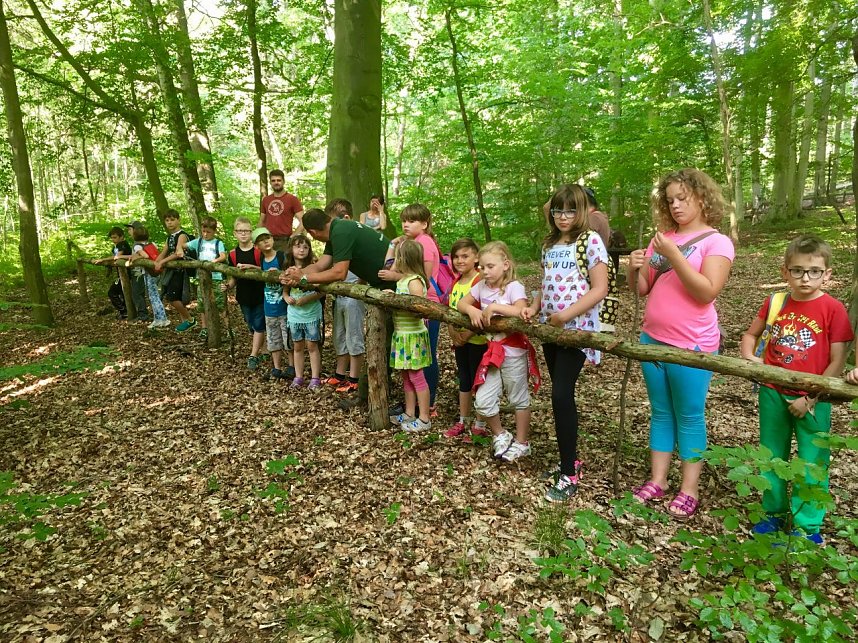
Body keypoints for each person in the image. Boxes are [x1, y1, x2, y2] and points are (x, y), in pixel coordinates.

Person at [627, 168, 734, 520]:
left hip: (693, 344)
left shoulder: (716, 242)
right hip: (652, 338)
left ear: (702, 197)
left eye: (682, 198)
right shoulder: (664, 238)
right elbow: (641, 289)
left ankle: (689, 489)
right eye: (669, 199)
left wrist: (673, 255)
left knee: (688, 416)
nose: (675, 205)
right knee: (660, 411)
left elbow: (707, 292)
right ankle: (657, 479)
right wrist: (633, 268)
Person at [739, 235, 852, 544]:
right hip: (773, 390)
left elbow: (838, 360)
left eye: (814, 271)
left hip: (815, 397)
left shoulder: (833, 309)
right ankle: (772, 513)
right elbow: (751, 335)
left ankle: (806, 525)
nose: (805, 278)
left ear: (827, 274)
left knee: (813, 459)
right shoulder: (776, 302)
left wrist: (811, 398)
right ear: (785, 272)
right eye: (798, 270)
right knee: (771, 454)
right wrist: (750, 360)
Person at [522, 184, 609, 502]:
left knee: (561, 394)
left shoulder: (591, 240)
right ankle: (567, 461)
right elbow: (545, 285)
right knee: (559, 397)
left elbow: (599, 289)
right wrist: (535, 306)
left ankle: (570, 472)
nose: (562, 216)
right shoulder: (549, 244)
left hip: (577, 330)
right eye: (558, 210)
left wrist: (566, 315)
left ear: (583, 211)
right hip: (551, 329)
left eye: (570, 210)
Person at [458, 241, 539, 462]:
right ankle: (500, 434)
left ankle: (523, 443)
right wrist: (473, 310)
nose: (485, 272)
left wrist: (494, 308)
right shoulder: (481, 286)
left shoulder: (514, 287)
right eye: (482, 267)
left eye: (490, 266)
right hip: (492, 353)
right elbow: (461, 304)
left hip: (512, 352)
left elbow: (520, 310)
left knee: (518, 398)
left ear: (505, 265)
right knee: (483, 400)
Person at [379, 204, 442, 414]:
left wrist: (395, 277)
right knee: (411, 367)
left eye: (412, 221)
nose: (406, 224)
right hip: (406, 317)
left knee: (425, 358)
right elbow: (388, 268)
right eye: (404, 220)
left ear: (424, 224)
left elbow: (421, 277)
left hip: (426, 307)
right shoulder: (410, 243)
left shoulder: (424, 243)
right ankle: (412, 406)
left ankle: (427, 404)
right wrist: (391, 245)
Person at [443, 238, 489, 440]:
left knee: (479, 381)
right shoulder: (456, 281)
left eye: (465, 256)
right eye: (456, 257)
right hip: (460, 341)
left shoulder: (479, 280)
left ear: (476, 257)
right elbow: (451, 310)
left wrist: (467, 334)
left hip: (478, 341)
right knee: (464, 378)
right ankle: (463, 419)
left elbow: (482, 311)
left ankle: (480, 423)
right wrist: (454, 333)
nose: (460, 261)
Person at [279, 209, 392, 289]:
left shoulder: (340, 232)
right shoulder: (335, 231)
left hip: (393, 281)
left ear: (313, 232)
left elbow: (339, 273)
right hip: (383, 282)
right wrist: (296, 273)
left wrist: (303, 278)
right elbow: (320, 266)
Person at [387, 239, 433, 432]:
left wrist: (395, 299)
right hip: (402, 335)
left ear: (405, 259)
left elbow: (418, 309)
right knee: (406, 376)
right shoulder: (403, 279)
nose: (394, 261)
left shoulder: (414, 281)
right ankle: (409, 413)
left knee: (417, 376)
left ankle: (424, 418)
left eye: (397, 257)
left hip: (412, 337)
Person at [323, 199, 365, 394]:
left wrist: (362, 282)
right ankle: (340, 374)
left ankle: (354, 378)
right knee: (339, 334)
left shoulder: (357, 235)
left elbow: (371, 261)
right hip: (339, 294)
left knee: (354, 335)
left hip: (354, 292)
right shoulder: (334, 239)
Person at [223, 217, 266, 370]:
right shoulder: (233, 254)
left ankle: (253, 356)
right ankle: (264, 348)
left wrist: (250, 267)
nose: (243, 234)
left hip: (260, 294)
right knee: (251, 324)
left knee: (259, 324)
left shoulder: (258, 252)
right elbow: (233, 277)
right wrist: (228, 285)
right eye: (240, 231)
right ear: (235, 233)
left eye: (246, 231)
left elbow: (265, 271)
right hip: (243, 296)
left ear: (251, 232)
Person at [284, 233, 324, 389]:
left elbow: (322, 291)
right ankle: (298, 377)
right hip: (294, 315)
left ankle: (315, 378)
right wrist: (286, 296)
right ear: (291, 249)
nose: (301, 249)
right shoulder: (288, 268)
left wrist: (308, 298)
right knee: (297, 346)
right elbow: (285, 289)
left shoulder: (315, 267)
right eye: (298, 246)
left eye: (305, 247)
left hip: (311, 313)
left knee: (312, 346)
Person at [180, 216, 227, 341]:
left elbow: (223, 256)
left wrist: (214, 262)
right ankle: (204, 328)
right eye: (203, 231)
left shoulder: (218, 243)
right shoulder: (198, 242)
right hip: (201, 278)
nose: (205, 234)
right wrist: (180, 250)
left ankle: (228, 329)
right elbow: (183, 245)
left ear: (214, 231)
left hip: (216, 278)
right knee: (202, 304)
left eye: (208, 232)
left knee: (221, 304)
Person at [255, 227, 290, 380]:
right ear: (257, 246)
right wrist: (249, 267)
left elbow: (290, 273)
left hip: (284, 306)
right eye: (261, 240)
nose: (266, 242)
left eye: (267, 238)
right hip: (269, 308)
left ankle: (291, 366)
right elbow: (261, 271)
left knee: (288, 338)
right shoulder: (262, 260)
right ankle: (276, 367)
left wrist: (279, 272)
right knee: (273, 339)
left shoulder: (281, 256)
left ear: (273, 239)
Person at [153, 209, 195, 332]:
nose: (170, 223)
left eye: (172, 220)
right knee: (173, 296)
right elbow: (164, 252)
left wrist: (162, 262)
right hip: (172, 270)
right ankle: (186, 324)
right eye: (167, 220)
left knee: (173, 297)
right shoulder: (169, 237)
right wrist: (156, 262)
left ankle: (191, 320)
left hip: (181, 270)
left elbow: (178, 253)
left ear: (178, 220)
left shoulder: (182, 236)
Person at [127, 226, 170, 329]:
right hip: (157, 272)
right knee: (155, 296)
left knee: (153, 296)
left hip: (148, 273)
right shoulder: (151, 244)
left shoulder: (137, 246)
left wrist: (136, 257)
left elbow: (145, 256)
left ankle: (162, 319)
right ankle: (159, 318)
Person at [259, 169, 304, 252]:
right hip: (268, 240)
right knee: (266, 264)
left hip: (284, 241)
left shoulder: (292, 199)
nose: (276, 182)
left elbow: (304, 221)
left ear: (283, 181)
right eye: (273, 180)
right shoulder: (266, 200)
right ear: (270, 183)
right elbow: (262, 221)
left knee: (283, 264)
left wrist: (293, 236)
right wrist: (258, 238)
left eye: (279, 180)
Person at [94, 226, 132, 319]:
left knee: (112, 292)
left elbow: (117, 257)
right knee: (122, 292)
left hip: (126, 273)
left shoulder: (122, 244)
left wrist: (103, 259)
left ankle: (124, 311)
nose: (113, 239)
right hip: (121, 273)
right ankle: (125, 311)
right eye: (112, 237)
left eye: (115, 237)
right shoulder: (116, 246)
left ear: (121, 236)